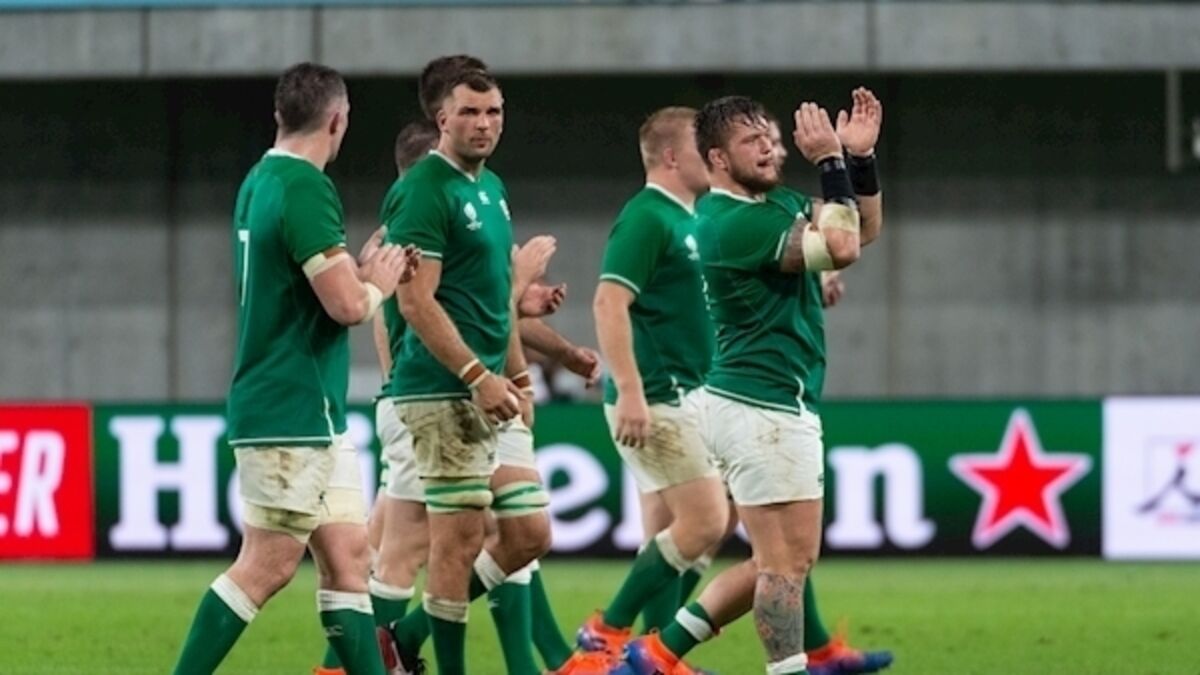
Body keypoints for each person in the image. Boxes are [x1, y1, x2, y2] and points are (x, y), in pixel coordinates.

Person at [621, 91, 881, 675]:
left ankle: (655, 654)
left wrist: (859, 161)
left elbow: (862, 229)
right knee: (785, 567)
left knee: (779, 560)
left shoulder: (771, 203)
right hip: (759, 406)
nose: (768, 147)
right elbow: (841, 246)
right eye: (750, 140)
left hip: (765, 401)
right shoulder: (729, 221)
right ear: (716, 158)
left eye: (769, 135)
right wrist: (830, 161)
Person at [171, 62, 418, 675]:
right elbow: (347, 307)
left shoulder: (260, 180)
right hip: (290, 408)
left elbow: (310, 285)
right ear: (337, 121)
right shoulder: (307, 186)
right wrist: (378, 284)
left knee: (349, 559)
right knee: (267, 565)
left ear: (281, 114)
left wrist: (360, 270)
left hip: (312, 413)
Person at [559, 107, 727, 675]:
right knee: (707, 523)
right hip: (658, 397)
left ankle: (656, 657)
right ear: (673, 156)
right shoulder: (648, 218)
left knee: (668, 536)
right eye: (705, 148)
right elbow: (608, 302)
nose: (717, 157)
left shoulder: (687, 218)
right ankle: (606, 632)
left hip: (683, 393)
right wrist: (629, 388)